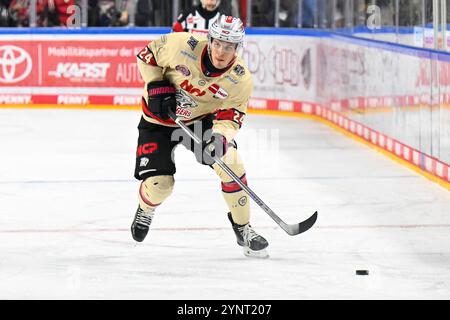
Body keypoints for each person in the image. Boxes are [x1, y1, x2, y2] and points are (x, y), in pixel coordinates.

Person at [132, 15, 269, 258]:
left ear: (238, 48)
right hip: (157, 121)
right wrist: (155, 83)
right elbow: (147, 55)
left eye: (229, 47)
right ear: (210, 39)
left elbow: (230, 116)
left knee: (232, 164)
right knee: (161, 185)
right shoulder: (182, 45)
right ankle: (145, 208)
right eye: (217, 43)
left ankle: (244, 228)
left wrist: (219, 137)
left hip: (198, 122)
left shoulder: (240, 78)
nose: (221, 52)